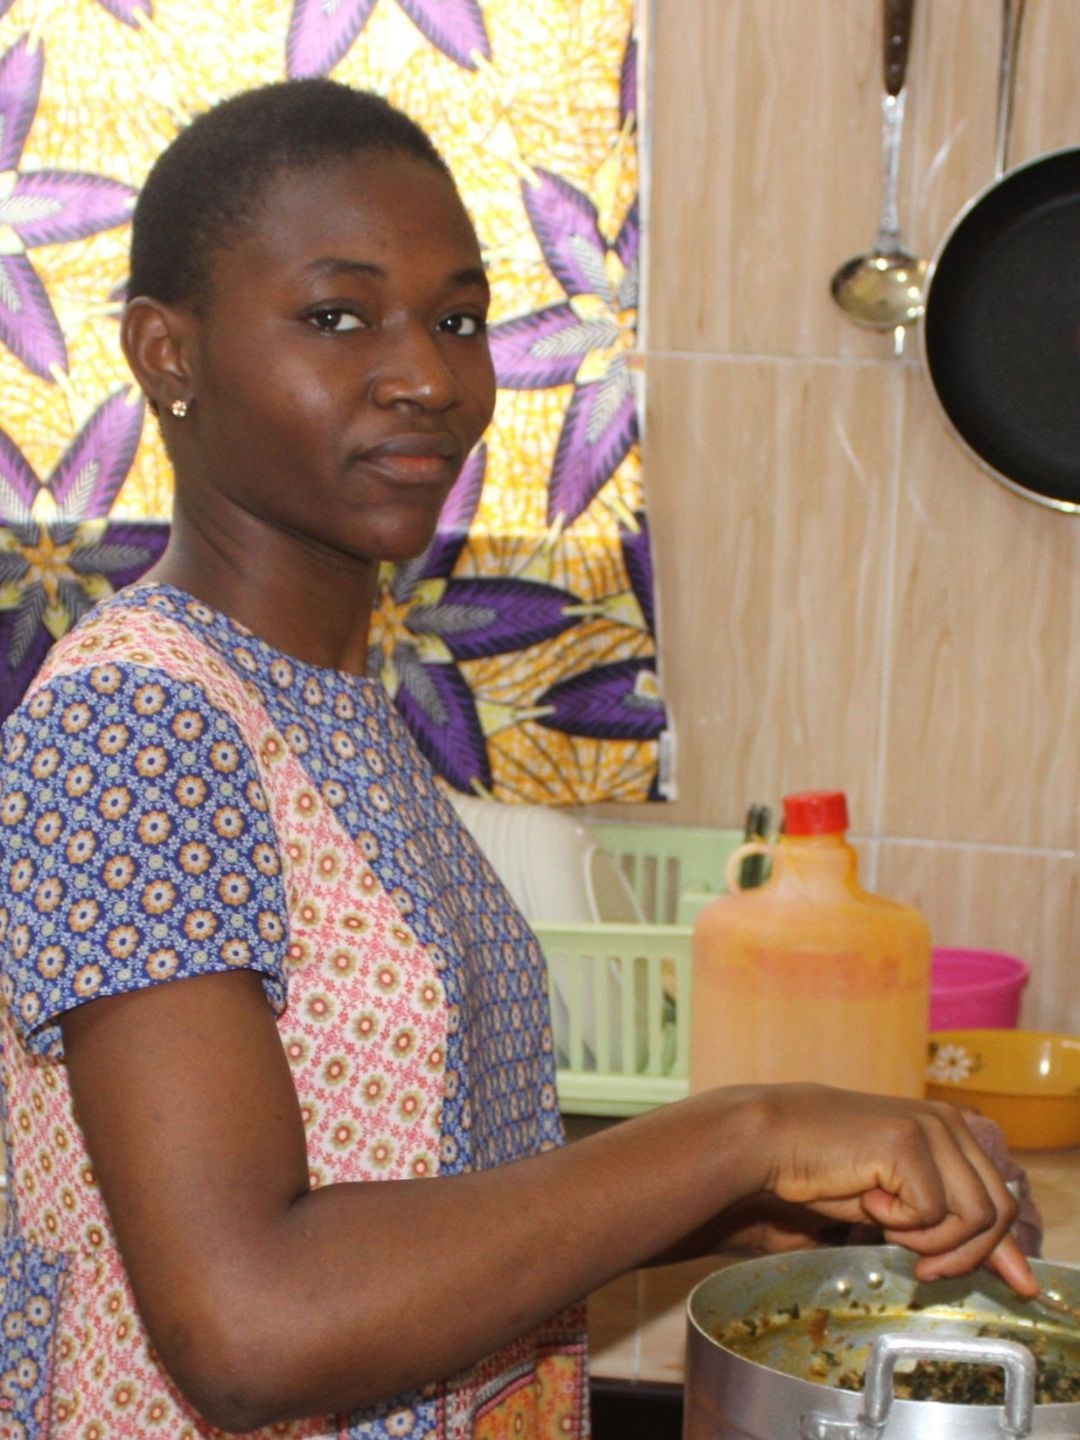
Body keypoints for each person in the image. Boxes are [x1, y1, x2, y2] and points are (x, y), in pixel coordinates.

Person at [0, 79, 1036, 1440]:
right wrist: (747, 1128)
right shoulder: (138, 724)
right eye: (336, 315)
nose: (430, 375)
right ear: (165, 354)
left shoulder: (323, 708)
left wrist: (755, 1195)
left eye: (460, 319)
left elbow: (428, 1179)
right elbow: (250, 1321)